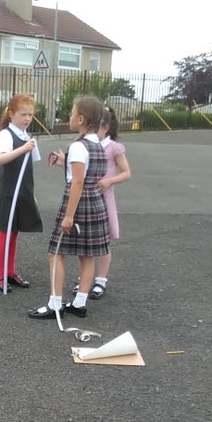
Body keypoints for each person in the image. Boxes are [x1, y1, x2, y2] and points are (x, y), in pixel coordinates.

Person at [28, 95, 109, 320]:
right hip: (95, 202)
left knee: (55, 253)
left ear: (81, 119)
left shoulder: (78, 146)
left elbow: (78, 182)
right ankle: (79, 303)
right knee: (87, 256)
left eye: (72, 114)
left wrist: (69, 216)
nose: (70, 117)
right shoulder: (98, 145)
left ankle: (55, 304)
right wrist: (64, 163)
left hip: (78, 204)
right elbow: (86, 174)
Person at [0, 93, 43, 290]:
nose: (27, 118)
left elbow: (29, 167)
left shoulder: (27, 137)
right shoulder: (6, 135)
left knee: (14, 234)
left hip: (22, 191)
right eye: (23, 114)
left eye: (30, 115)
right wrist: (23, 149)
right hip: (8, 192)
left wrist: (31, 194)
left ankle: (10, 271)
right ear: (11, 114)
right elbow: (1, 159)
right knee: (6, 233)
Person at [88, 107, 131, 299]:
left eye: (95, 126)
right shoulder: (87, 145)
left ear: (105, 128)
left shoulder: (114, 147)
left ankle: (101, 280)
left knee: (104, 240)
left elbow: (126, 173)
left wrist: (109, 181)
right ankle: (85, 278)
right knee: (88, 239)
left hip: (105, 198)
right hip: (88, 197)